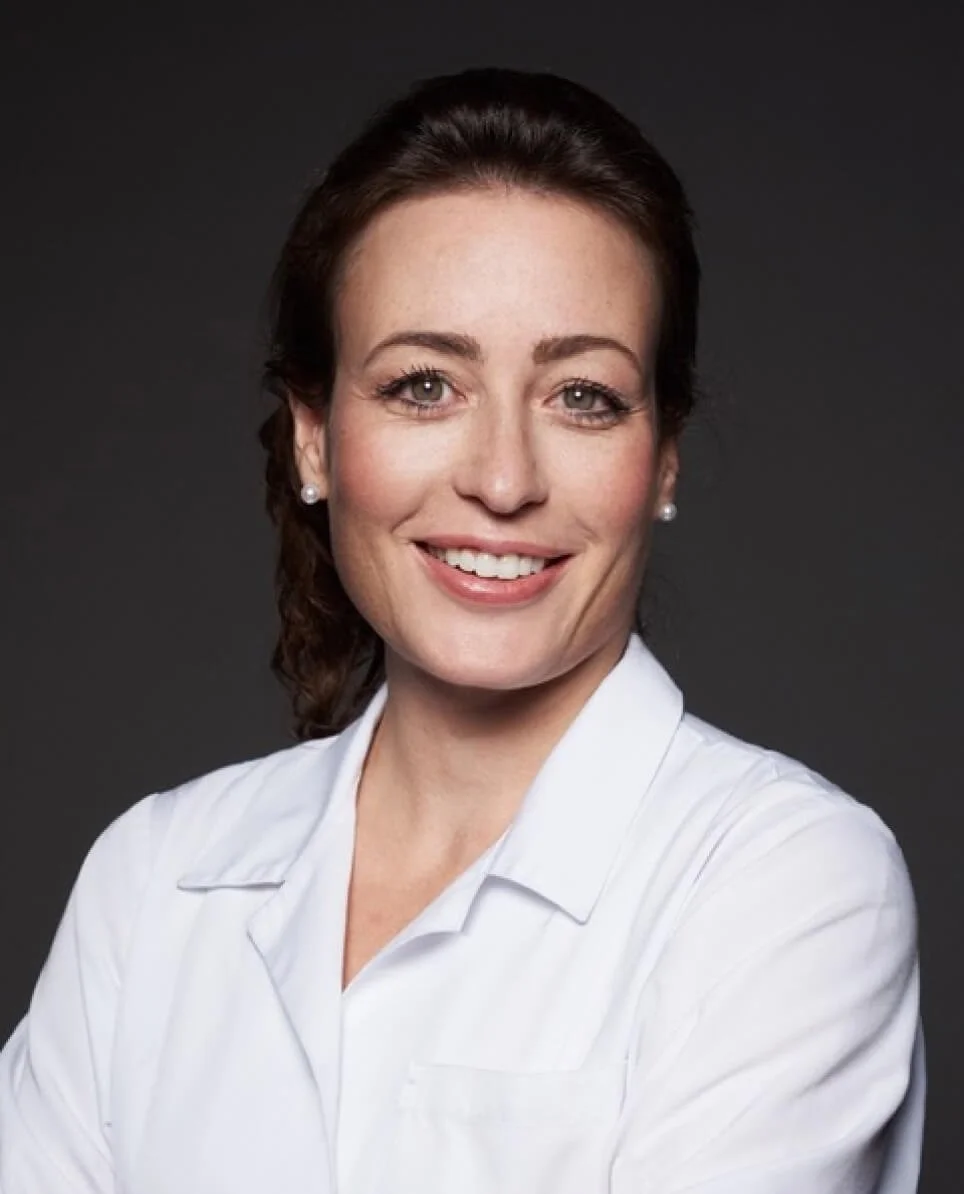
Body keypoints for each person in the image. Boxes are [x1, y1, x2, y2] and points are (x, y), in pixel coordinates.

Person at [0, 68, 924, 1194]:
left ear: (663, 455)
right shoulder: (153, 881)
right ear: (312, 439)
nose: (501, 478)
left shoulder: (785, 885)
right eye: (424, 385)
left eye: (581, 395)